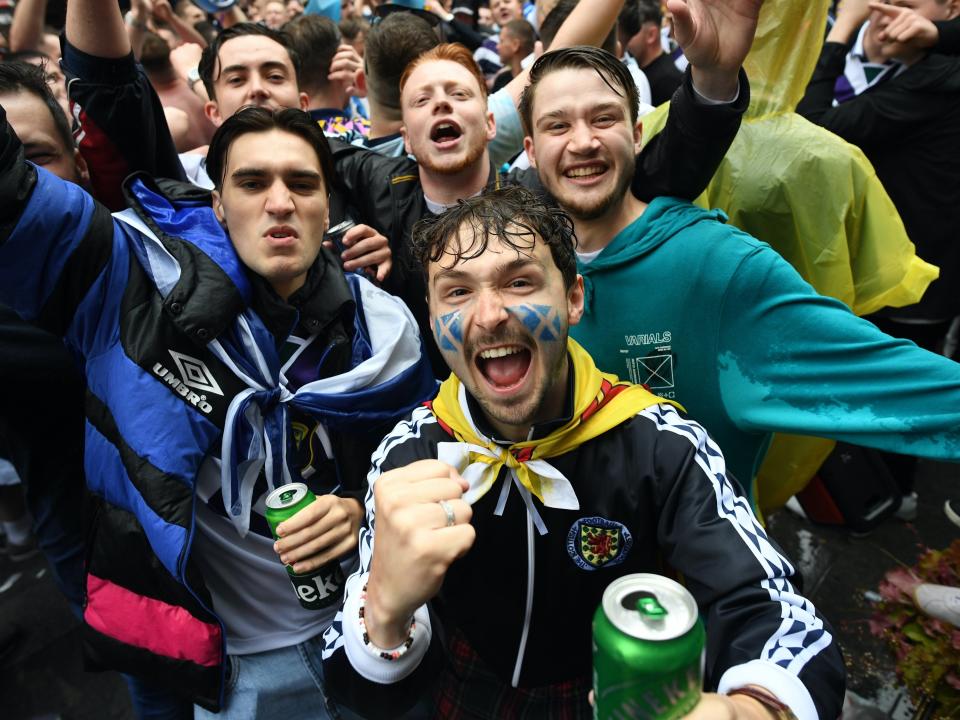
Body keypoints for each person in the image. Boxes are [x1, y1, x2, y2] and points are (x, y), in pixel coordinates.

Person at [320, 187, 846, 720]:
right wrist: (384, 611)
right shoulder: (410, 452)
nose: (489, 315)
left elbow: (765, 604)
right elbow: (355, 688)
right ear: (431, 320)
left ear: (573, 298)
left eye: (519, 281)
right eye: (456, 293)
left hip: (604, 695)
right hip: (464, 689)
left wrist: (752, 711)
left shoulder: (660, 442)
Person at [0, 104, 434, 716]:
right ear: (218, 204)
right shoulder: (127, 286)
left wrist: (364, 511)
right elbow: (12, 197)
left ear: (328, 208)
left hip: (372, 630)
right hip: (238, 670)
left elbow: (429, 469)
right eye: (252, 183)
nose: (279, 202)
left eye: (302, 184)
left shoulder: (385, 327)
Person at [506, 42, 960, 498]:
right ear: (530, 148)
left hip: (698, 565)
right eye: (557, 125)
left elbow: (910, 389)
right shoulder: (519, 270)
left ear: (638, 133)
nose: (583, 141)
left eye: (604, 118)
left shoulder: (720, 268)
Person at [619, 0, 683, 105]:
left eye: (633, 29)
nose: (625, 37)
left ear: (651, 35)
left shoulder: (670, 82)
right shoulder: (635, 70)